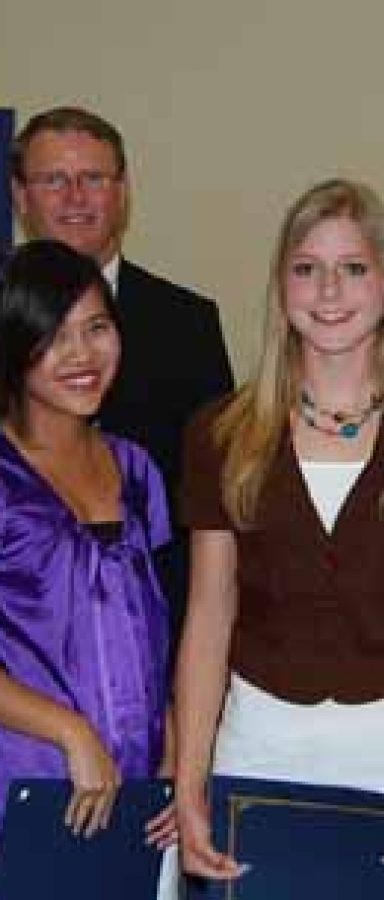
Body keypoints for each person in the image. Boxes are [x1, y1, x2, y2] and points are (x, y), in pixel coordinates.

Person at [173, 179, 384, 899]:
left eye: (353, 267)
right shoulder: (221, 433)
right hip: (258, 745)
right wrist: (190, 782)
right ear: (280, 284)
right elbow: (207, 617)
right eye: (306, 267)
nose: (328, 290)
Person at [9, 107, 234, 639]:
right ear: (19, 196)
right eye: (54, 181)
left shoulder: (188, 323)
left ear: (123, 191)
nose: (76, 197)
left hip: (157, 629)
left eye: (93, 179)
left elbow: (212, 494)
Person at [0, 240, 175, 855]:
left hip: (135, 790)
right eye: (55, 334)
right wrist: (70, 732)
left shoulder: (134, 467)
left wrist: (173, 759)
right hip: (28, 784)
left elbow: (155, 631)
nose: (83, 355)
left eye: (97, 327)